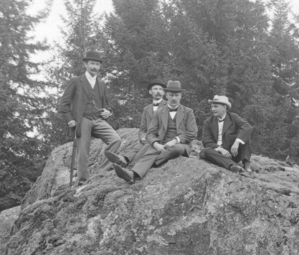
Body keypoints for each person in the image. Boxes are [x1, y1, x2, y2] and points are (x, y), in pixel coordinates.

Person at [58, 49, 124, 188]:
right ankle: (82, 181)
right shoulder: (76, 81)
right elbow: (63, 104)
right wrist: (69, 119)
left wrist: (108, 112)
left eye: (97, 64)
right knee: (83, 151)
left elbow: (107, 105)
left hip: (98, 119)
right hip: (82, 120)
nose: (95, 67)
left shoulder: (102, 84)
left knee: (116, 140)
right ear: (86, 65)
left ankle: (101, 172)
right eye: (92, 64)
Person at [114, 80, 197, 184]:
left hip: (181, 144)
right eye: (171, 95)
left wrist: (175, 140)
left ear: (181, 96)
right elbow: (150, 133)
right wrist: (156, 144)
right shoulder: (159, 112)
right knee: (151, 148)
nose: (174, 98)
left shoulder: (188, 112)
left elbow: (192, 132)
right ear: (166, 95)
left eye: (177, 95)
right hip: (162, 143)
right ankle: (132, 175)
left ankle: (150, 164)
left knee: (175, 149)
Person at [200, 95, 254, 175]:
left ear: (224, 107)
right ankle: (233, 166)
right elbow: (206, 141)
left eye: (216, 106)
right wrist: (221, 149)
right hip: (218, 154)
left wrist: (237, 142)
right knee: (206, 151)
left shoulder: (233, 117)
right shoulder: (208, 122)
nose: (213, 109)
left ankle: (246, 165)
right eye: (212, 107)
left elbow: (247, 127)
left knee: (245, 137)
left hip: (233, 152)